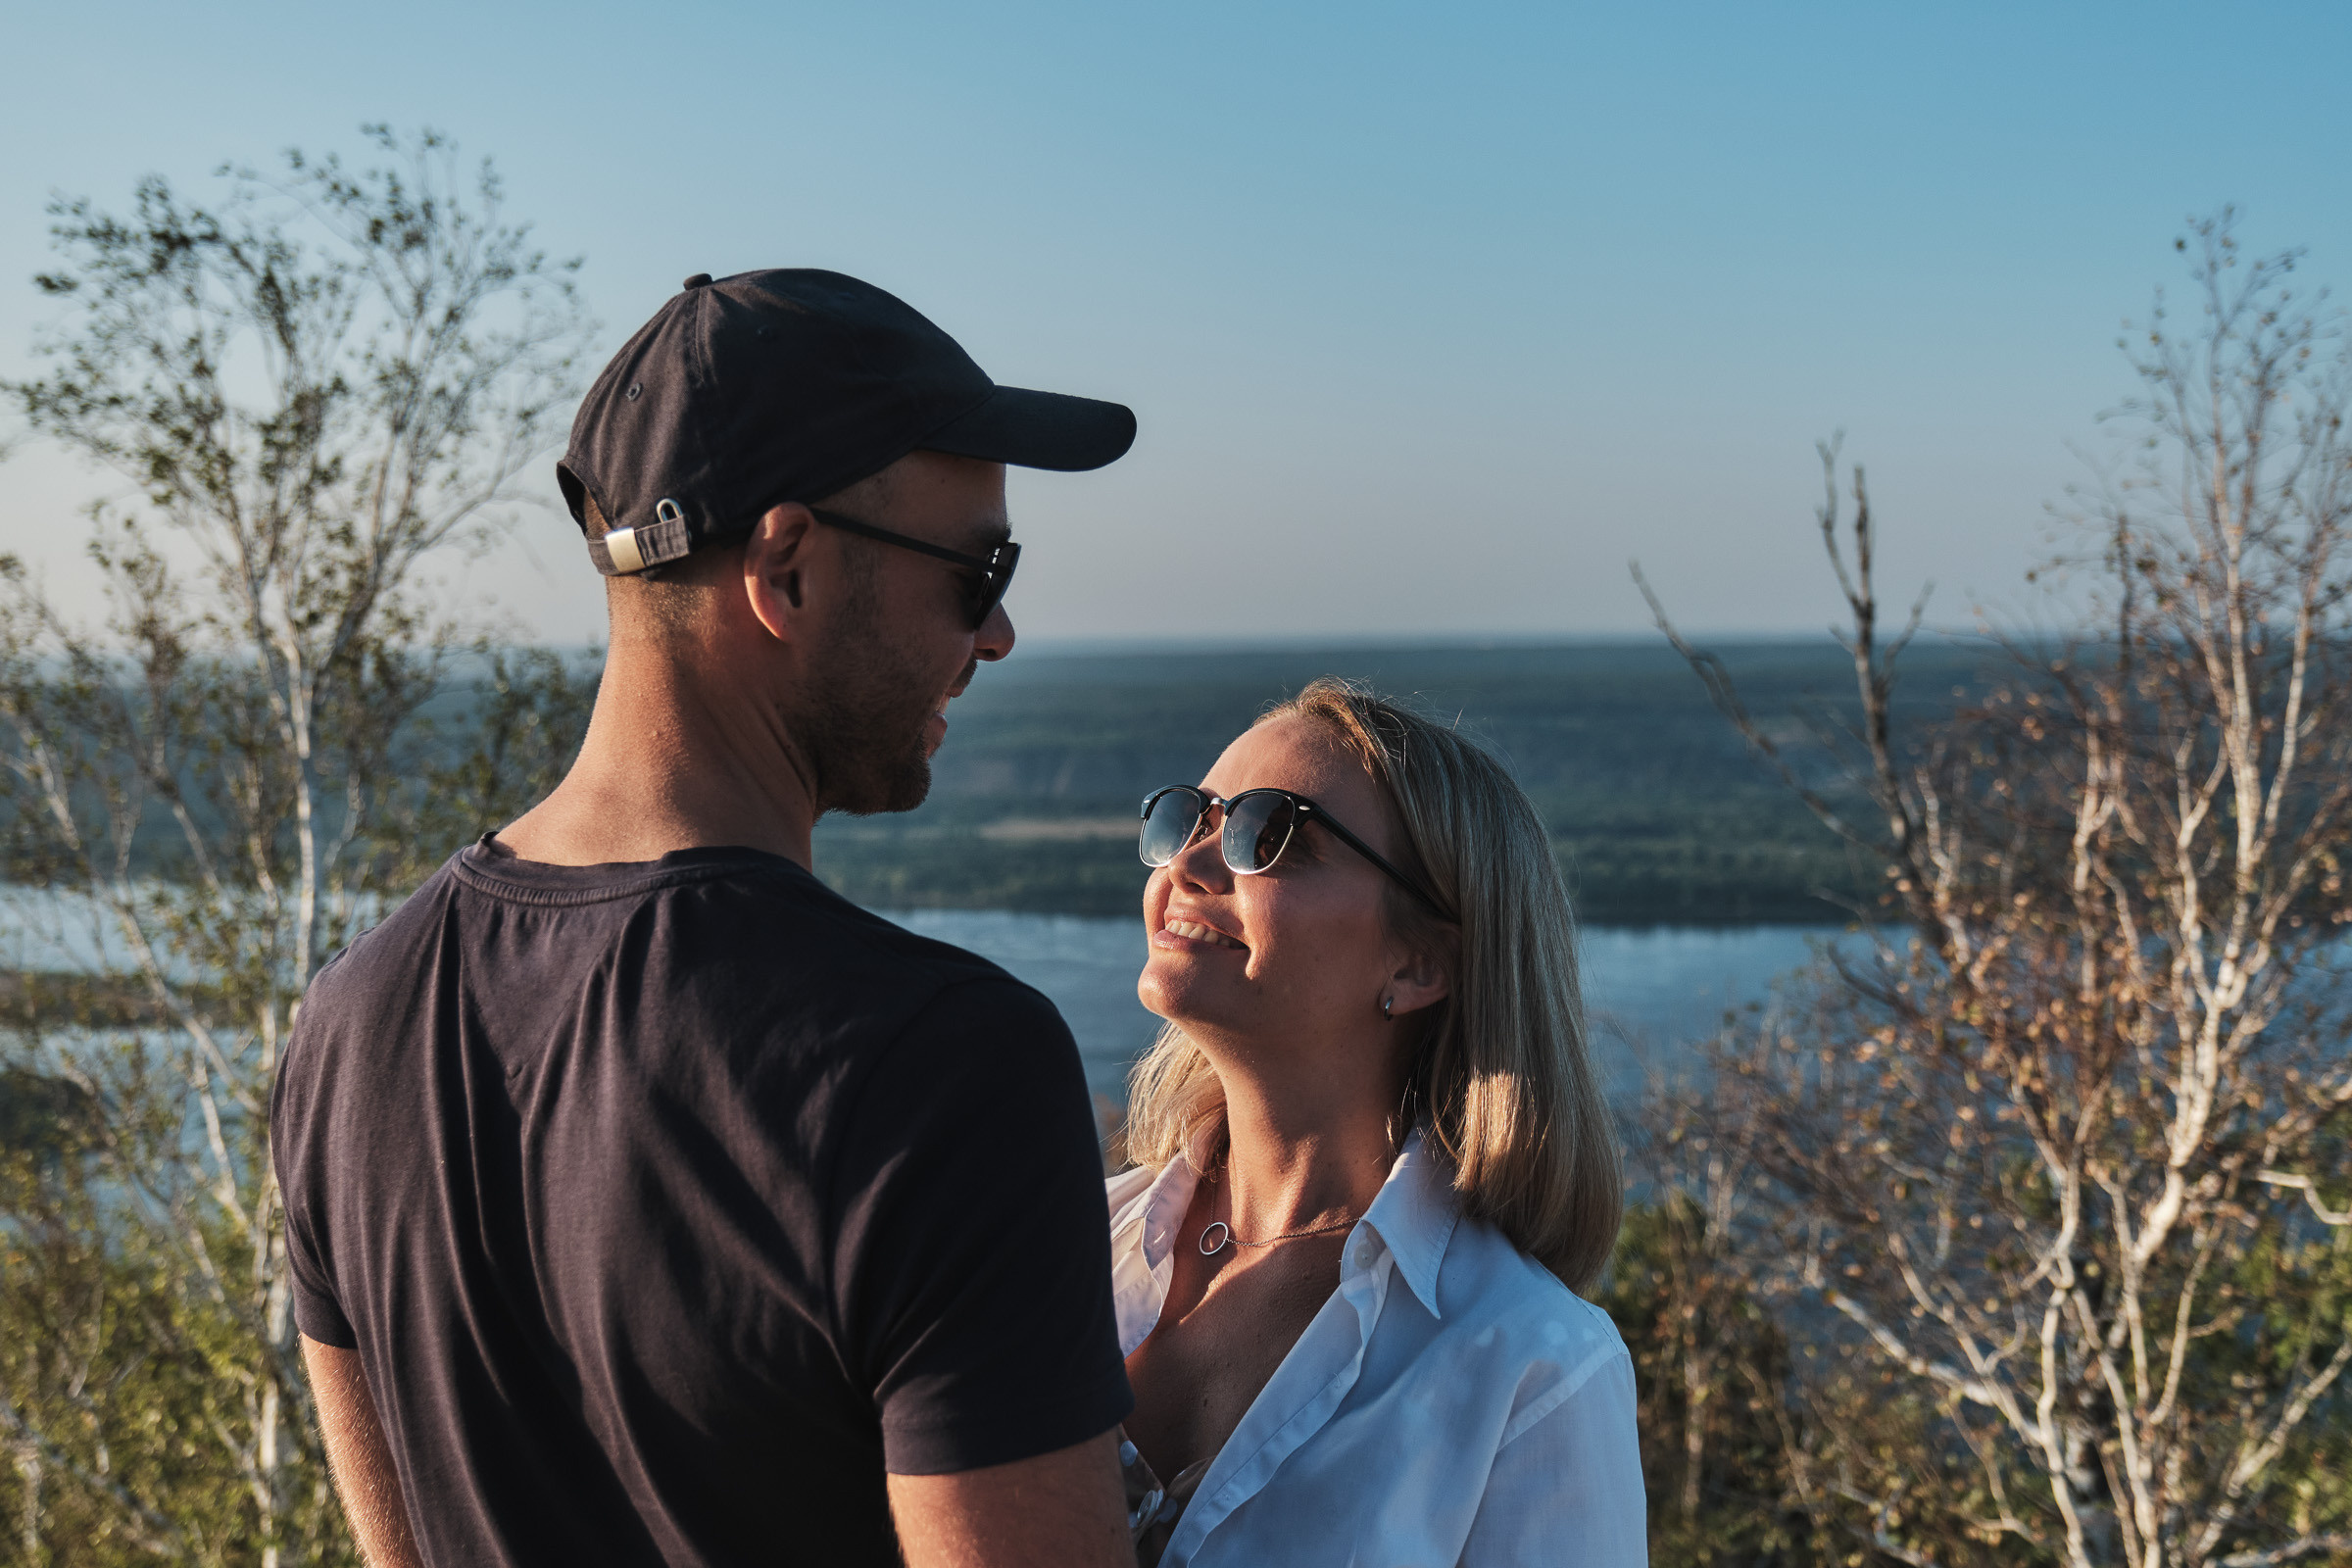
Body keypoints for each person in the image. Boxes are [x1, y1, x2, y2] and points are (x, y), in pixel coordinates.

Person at [270, 270, 1144, 1568]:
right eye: (979, 571)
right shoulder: (941, 1067)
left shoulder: (350, 1024)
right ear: (786, 569)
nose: (1001, 632)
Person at [1106, 678, 1644, 1566]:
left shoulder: (1530, 1368)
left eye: (1269, 836)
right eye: (1190, 817)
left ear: (1419, 964)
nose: (1188, 866)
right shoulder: (1059, 1248)